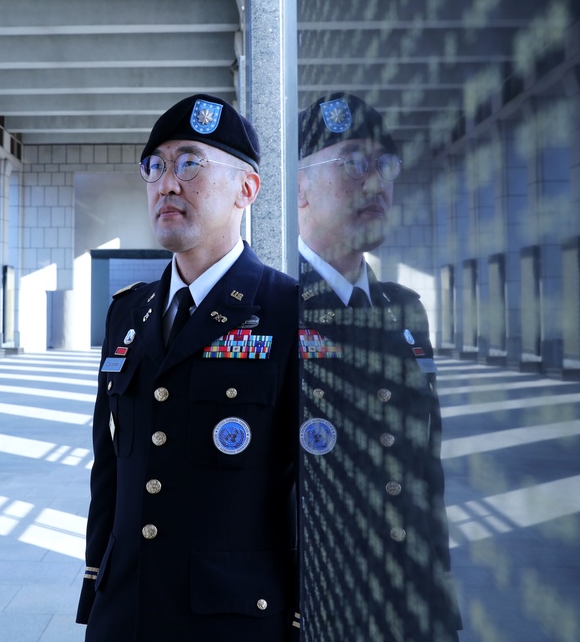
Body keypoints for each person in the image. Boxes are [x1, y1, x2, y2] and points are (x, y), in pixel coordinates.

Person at [76, 94, 300, 640]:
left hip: (233, 621)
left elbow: (307, 490)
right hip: (124, 612)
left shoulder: (288, 311)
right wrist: (95, 589)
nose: (166, 183)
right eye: (155, 166)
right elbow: (110, 469)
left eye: (190, 163)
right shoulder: (129, 311)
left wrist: (303, 619)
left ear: (247, 190)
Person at [296, 92, 462, 641]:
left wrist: (439, 612)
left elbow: (422, 479)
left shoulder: (403, 308)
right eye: (354, 163)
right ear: (298, 188)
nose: (377, 184)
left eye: (385, 164)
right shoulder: (264, 308)